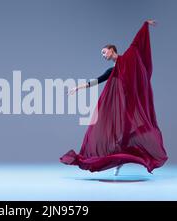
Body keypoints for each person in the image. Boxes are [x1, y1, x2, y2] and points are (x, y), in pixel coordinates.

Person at [61, 19, 168, 175]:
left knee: (142, 130)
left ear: (112, 50)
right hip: (124, 108)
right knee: (122, 136)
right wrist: (78, 88)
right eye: (102, 54)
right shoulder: (112, 70)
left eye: (104, 52)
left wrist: (145, 25)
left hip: (135, 105)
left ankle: (138, 157)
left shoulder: (129, 58)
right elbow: (97, 80)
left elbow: (136, 43)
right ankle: (119, 160)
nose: (103, 55)